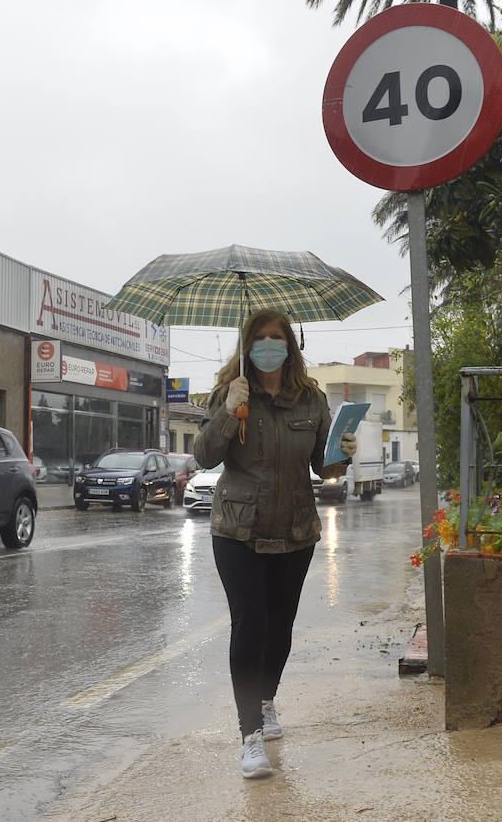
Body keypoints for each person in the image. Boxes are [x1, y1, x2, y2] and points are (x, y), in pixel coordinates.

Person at [193, 308, 356, 779]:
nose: (268, 346)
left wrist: (343, 455)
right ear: (247, 346)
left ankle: (266, 701)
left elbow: (325, 468)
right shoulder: (231, 392)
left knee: (280, 625)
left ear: (290, 346)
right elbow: (204, 457)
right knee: (251, 621)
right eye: (259, 339)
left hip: (294, 529)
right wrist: (229, 413)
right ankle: (249, 736)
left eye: (276, 338)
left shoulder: (310, 399)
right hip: (237, 530)